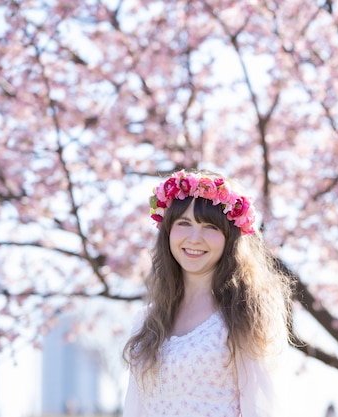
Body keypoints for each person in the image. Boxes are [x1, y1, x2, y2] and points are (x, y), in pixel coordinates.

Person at [122, 169, 293, 417]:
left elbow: (263, 408)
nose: (194, 238)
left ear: (229, 237)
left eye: (209, 227)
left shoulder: (246, 312)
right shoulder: (146, 323)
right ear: (168, 231)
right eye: (184, 223)